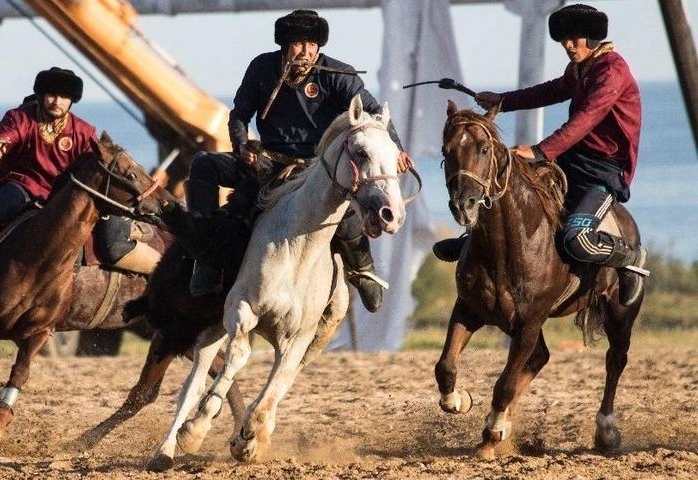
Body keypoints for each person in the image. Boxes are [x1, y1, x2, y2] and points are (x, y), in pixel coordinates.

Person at [186, 9, 412, 312]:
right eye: (299, 44)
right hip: (269, 162)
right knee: (202, 164)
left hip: (317, 168)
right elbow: (239, 115)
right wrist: (241, 145)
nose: (306, 52)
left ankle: (362, 268)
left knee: (344, 209)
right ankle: (205, 255)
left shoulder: (338, 76)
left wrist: (396, 150)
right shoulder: (261, 68)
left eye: (312, 45)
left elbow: (373, 115)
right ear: (284, 44)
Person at [432, 4, 647, 306]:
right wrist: (503, 101)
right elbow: (551, 91)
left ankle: (629, 257)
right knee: (512, 185)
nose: (568, 47)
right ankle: (473, 238)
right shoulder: (581, 68)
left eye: (575, 39)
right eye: (563, 41)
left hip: (604, 171)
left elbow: (584, 120)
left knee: (576, 239)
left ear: (593, 37)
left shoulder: (612, 72)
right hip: (571, 159)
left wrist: (539, 151)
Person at [0, 67, 159, 282]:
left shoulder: (83, 130)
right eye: (52, 95)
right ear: (42, 95)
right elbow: (3, 136)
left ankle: (131, 231)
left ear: (72, 100)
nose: (57, 101)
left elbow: (95, 162)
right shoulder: (20, 118)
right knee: (1, 205)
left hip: (64, 191)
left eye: (64, 96)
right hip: (24, 184)